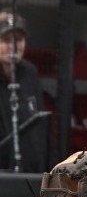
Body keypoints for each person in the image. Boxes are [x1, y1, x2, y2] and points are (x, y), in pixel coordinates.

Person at [0, 12, 49, 173]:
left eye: (18, 40)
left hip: (29, 172)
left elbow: (39, 126)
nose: (13, 47)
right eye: (6, 41)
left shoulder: (30, 72)